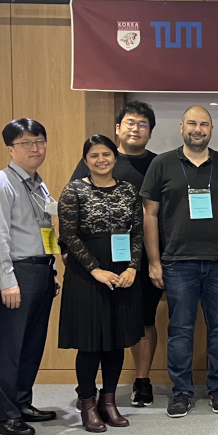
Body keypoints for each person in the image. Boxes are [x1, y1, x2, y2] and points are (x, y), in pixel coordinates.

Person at [141, 106, 218, 418]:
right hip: (177, 262)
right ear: (182, 126)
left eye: (204, 124)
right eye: (192, 123)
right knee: (180, 329)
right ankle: (181, 391)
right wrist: (154, 262)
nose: (198, 129)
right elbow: (150, 215)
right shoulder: (162, 163)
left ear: (212, 129)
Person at [72, 101, 161, 407]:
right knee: (98, 326)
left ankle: (142, 381)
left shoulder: (158, 164)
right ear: (118, 128)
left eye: (143, 124)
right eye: (130, 123)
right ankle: (89, 391)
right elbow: (73, 216)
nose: (136, 129)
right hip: (96, 262)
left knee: (142, 320)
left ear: (150, 131)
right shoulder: (96, 160)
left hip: (137, 260)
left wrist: (148, 262)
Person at [58, 135, 144, 432]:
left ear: (115, 158)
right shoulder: (74, 190)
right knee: (91, 343)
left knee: (117, 341)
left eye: (106, 154)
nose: (101, 160)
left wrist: (133, 267)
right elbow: (68, 236)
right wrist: (95, 269)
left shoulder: (129, 190)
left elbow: (137, 233)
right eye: (94, 156)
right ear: (86, 161)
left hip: (122, 271)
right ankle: (87, 402)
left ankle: (109, 401)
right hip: (87, 274)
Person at [0, 119, 59, 435]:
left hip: (40, 269)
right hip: (15, 272)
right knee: (9, 346)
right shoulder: (0, 184)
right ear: (10, 148)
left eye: (40, 141)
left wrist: (52, 269)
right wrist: (7, 280)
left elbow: (48, 229)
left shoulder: (38, 184)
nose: (35, 148)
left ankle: (22, 402)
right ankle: (4, 414)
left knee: (32, 343)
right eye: (26, 143)